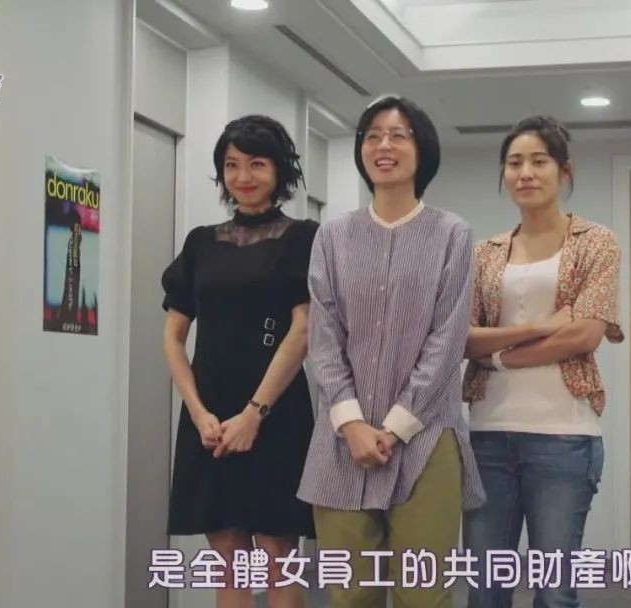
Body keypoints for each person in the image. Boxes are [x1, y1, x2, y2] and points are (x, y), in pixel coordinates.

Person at [297, 94, 486, 607]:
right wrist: (352, 423)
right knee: (349, 594)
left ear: (422, 151)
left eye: (399, 135)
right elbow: (324, 337)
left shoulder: (451, 234)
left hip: (426, 438)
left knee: (424, 595)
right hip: (343, 440)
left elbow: (447, 341)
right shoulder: (333, 236)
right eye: (373, 136)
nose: (384, 145)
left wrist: (396, 424)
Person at [461, 116, 625, 608]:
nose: (526, 173)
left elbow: (584, 334)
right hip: (488, 433)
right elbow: (464, 339)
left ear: (564, 170)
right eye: (514, 163)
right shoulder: (484, 253)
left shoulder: (596, 242)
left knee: (554, 592)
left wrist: (499, 357)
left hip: (564, 436)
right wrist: (540, 327)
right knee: (485, 590)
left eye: (539, 162)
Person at [161, 114, 318, 608]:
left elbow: (303, 329)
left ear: (279, 170)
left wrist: (255, 413)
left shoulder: (303, 237)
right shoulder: (200, 243)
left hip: (275, 411)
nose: (243, 176)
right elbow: (173, 338)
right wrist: (197, 412)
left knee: (277, 557)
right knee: (229, 561)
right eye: (231, 165)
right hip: (209, 414)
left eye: (256, 164)